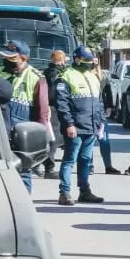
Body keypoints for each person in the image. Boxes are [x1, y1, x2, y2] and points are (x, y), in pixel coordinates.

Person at [54, 46, 106, 206]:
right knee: (69, 160)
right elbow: (62, 104)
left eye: (91, 61)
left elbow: (99, 103)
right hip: (75, 128)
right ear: (77, 59)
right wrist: (69, 124)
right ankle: (64, 192)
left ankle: (84, 191)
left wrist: (101, 123)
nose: (90, 63)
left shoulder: (93, 78)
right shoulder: (65, 77)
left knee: (85, 161)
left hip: (90, 127)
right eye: (86, 60)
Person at [0, 40, 51, 194]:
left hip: (22, 133)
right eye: (6, 58)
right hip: (0, 130)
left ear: (23, 58)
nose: (7, 61)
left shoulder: (36, 78)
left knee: (23, 171)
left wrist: (40, 138)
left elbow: (42, 112)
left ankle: (24, 202)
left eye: (12, 59)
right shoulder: (0, 72)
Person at [37, 50, 68, 179]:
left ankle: (38, 164)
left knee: (49, 137)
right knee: (53, 139)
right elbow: (54, 93)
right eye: (64, 60)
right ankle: (49, 168)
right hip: (54, 108)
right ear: (61, 60)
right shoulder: (56, 74)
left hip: (47, 107)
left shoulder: (46, 72)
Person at [92, 58, 121, 175]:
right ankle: (90, 165)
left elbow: (108, 92)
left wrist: (109, 107)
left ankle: (108, 166)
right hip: (90, 111)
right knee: (91, 141)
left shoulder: (102, 76)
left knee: (103, 140)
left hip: (99, 111)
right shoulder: (84, 75)